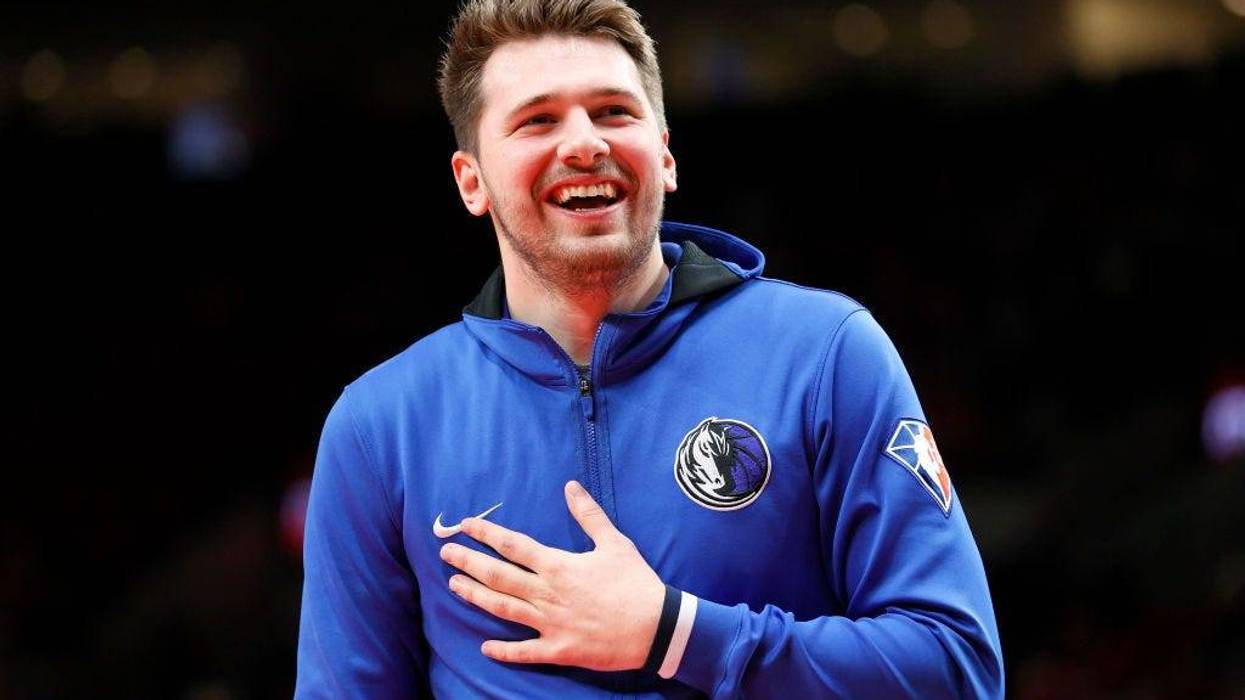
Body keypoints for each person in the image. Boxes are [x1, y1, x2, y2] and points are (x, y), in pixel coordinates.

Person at [294, 0, 1004, 697]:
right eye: (537, 120)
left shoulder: (824, 355)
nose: (584, 143)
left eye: (614, 112)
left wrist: (675, 633)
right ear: (470, 180)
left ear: (663, 156)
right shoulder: (380, 426)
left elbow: (958, 670)